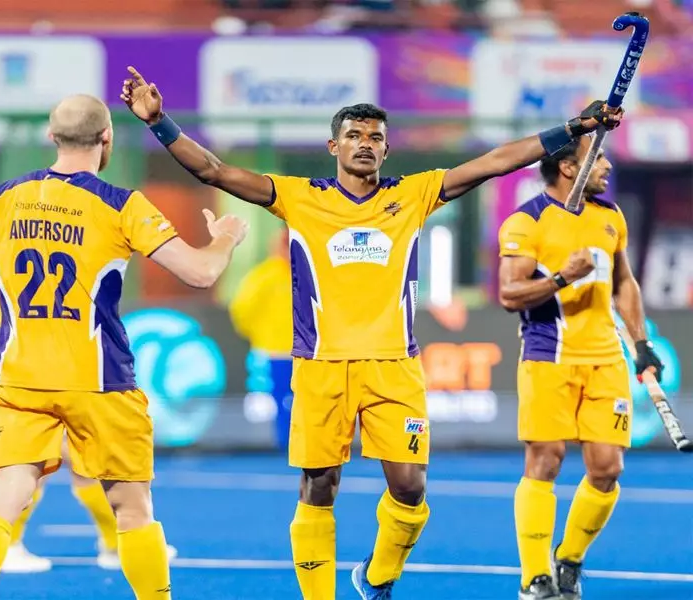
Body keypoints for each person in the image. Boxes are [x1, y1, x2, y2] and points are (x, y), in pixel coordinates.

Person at [121, 65, 622, 600]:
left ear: (385, 149)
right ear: (333, 146)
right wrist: (159, 123)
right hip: (321, 368)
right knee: (319, 486)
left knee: (411, 490)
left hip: (394, 368)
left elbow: (496, 161)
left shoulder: (414, 194)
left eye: (375, 137)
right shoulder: (298, 197)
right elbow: (214, 170)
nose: (365, 143)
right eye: (355, 135)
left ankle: (377, 575)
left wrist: (573, 129)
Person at [0, 93, 247, 600]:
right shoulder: (121, 204)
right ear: (107, 138)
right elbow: (201, 273)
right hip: (101, 383)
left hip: (21, 380)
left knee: (1, 502)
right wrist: (226, 238)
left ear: (51, 136)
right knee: (133, 511)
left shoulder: (6, 197)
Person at [497, 136, 664, 600]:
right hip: (548, 356)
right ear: (569, 168)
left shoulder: (610, 216)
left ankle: (568, 559)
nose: (607, 165)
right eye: (599, 157)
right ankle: (535, 576)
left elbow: (624, 282)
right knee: (545, 460)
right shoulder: (527, 221)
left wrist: (641, 344)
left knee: (607, 469)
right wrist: (560, 278)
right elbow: (509, 294)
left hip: (606, 358)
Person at [0, 264, 178, 572]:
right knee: (37, 461)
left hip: (23, 395)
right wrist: (8, 409)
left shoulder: (25, 297)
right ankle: (11, 547)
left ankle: (112, 545)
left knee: (81, 458)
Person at [228, 227, 294, 450]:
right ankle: (280, 444)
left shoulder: (307, 274)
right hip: (274, 352)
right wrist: (259, 336)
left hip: (305, 353)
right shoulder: (264, 276)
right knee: (275, 401)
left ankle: (292, 445)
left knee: (297, 402)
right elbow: (242, 310)